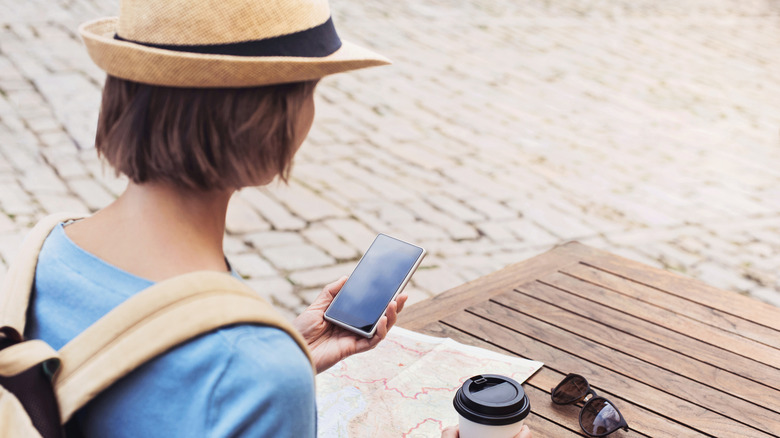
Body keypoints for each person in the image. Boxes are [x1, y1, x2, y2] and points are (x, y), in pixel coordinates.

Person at [23, 0, 534, 436]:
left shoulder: (43, 252)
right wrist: (269, 371)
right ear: (269, 120)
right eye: (310, 91)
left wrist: (287, 355)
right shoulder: (254, 368)